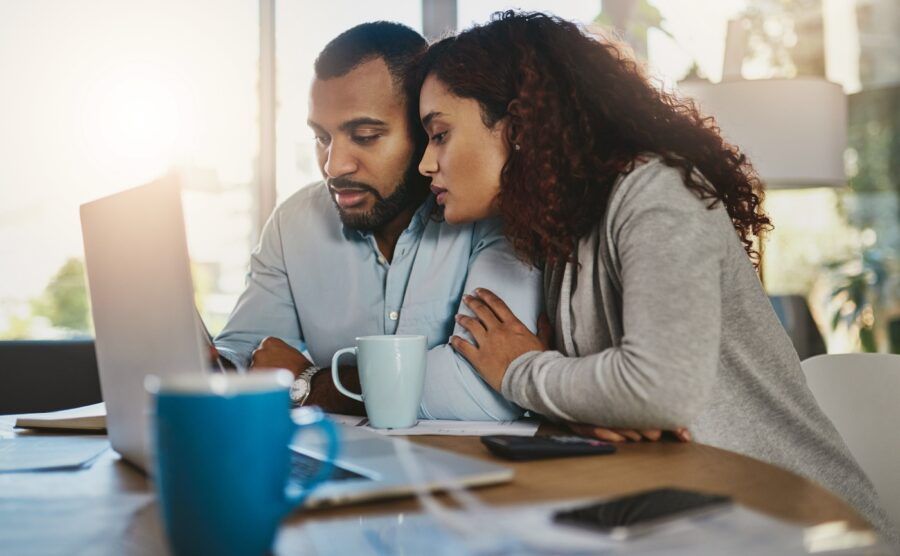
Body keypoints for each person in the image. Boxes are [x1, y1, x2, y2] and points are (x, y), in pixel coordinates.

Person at [414, 11, 897, 543]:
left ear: (521, 125)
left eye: (440, 134)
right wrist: (596, 404)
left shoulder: (656, 191)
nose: (426, 164)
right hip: (692, 521)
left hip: (808, 531)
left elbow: (657, 392)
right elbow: (623, 404)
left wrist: (521, 369)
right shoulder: (560, 229)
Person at [213, 21, 543, 421]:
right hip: (337, 474)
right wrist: (215, 365)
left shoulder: (490, 214)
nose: (334, 166)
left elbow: (485, 393)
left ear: (426, 131)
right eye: (322, 138)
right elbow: (246, 355)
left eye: (365, 135)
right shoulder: (292, 224)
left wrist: (311, 383)